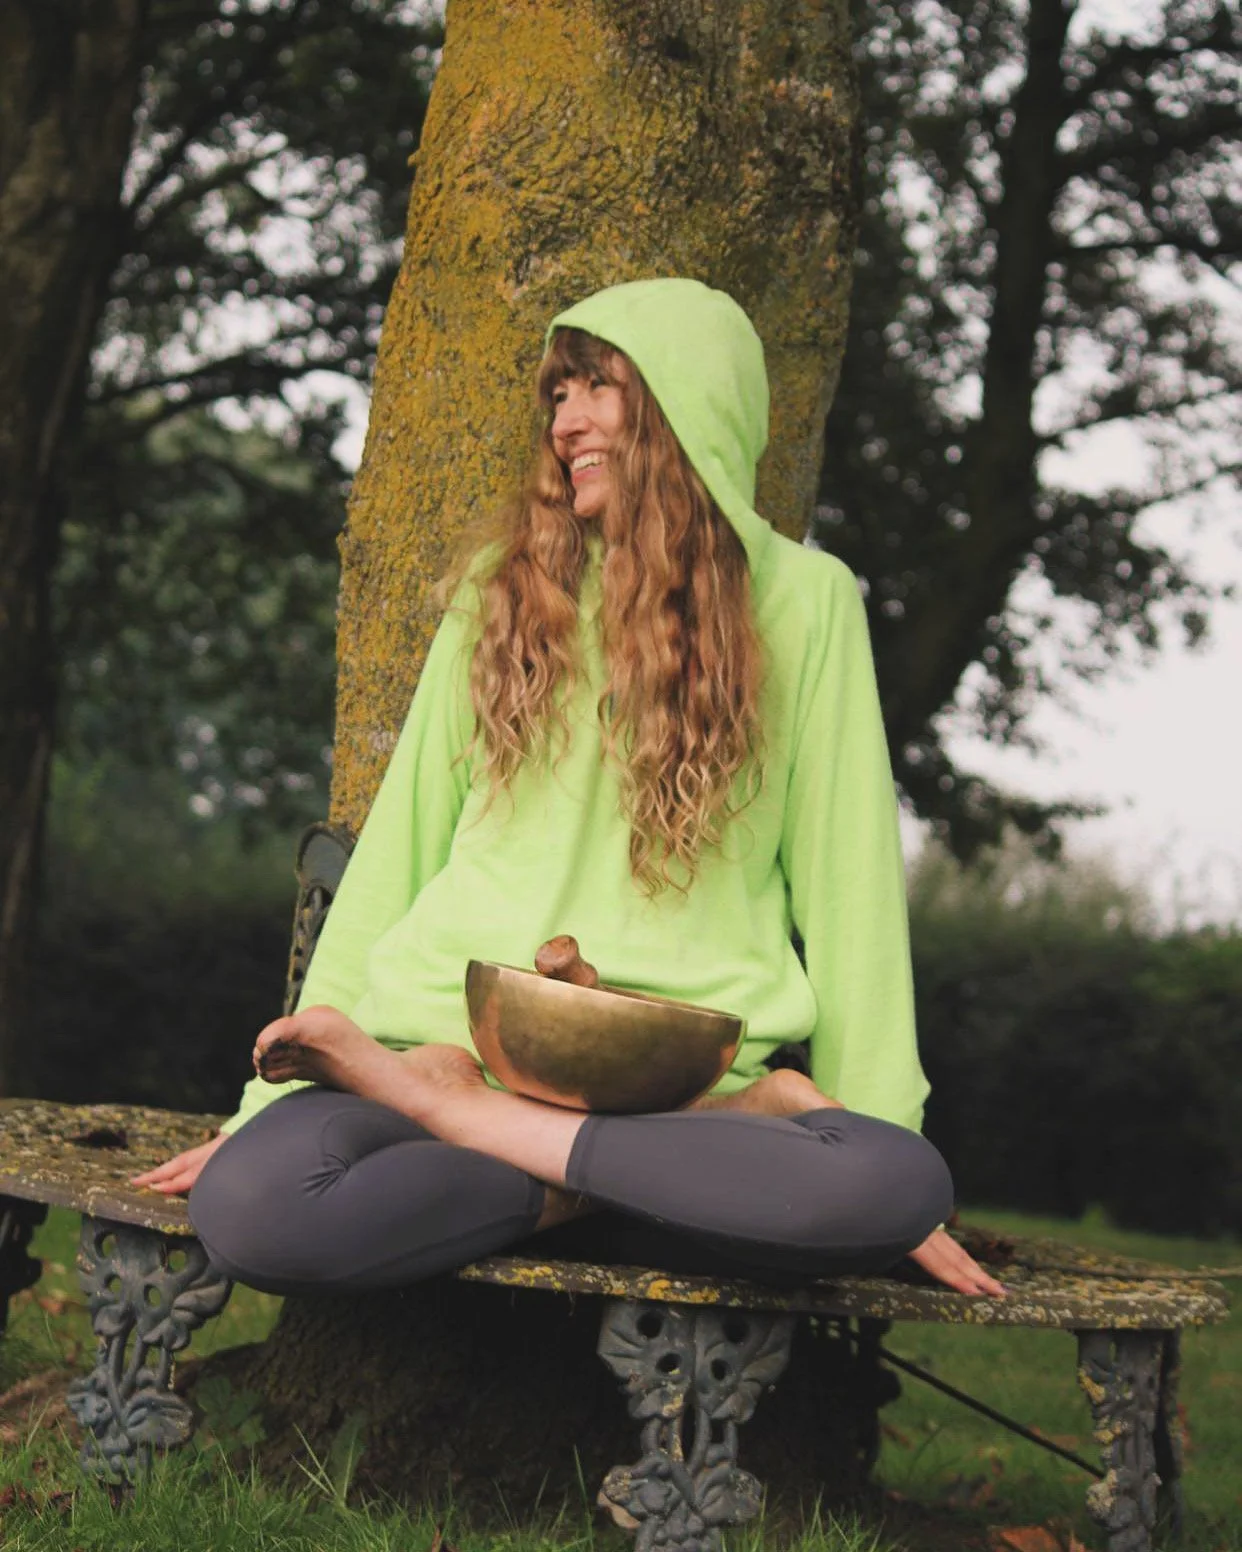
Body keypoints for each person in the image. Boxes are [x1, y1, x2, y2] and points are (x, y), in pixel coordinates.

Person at [134, 278, 1003, 1301]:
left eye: (601, 387)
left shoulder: (807, 605)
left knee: (891, 1183)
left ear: (691, 401)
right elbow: (398, 857)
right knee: (259, 1210)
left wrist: (875, 1133)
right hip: (438, 1054)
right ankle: (590, 1163)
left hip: (667, 1092)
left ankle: (509, 1133)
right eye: (559, 393)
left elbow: (849, 891)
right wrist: (253, 1116)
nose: (567, 420)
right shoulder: (502, 588)